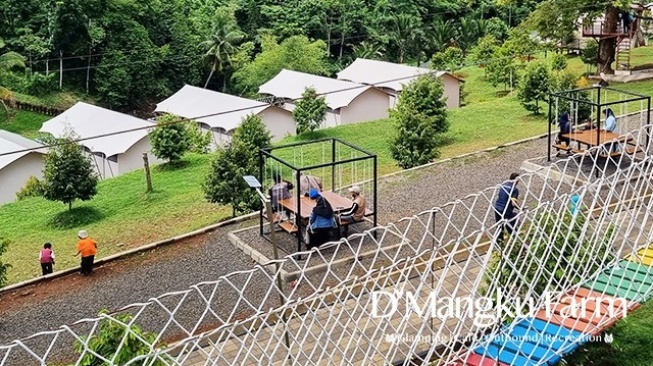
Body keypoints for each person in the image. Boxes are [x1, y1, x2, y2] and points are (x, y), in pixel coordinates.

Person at [493, 173, 521, 245]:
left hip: (497, 208)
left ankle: (499, 243)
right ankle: (516, 243)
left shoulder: (503, 185)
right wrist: (520, 209)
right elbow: (513, 203)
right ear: (516, 180)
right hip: (505, 209)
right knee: (511, 224)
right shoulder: (514, 189)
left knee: (499, 226)